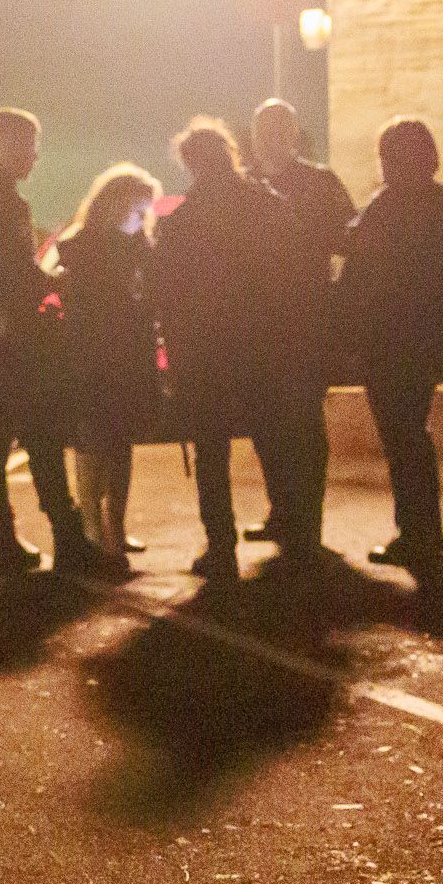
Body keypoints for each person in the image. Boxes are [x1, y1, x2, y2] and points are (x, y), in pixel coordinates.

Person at [0, 107, 100, 578]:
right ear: (6, 146)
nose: (35, 156)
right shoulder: (9, 204)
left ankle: (0, 543)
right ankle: (69, 539)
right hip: (17, 340)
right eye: (30, 146)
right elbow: (17, 275)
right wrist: (58, 279)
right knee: (43, 437)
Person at [148, 117, 303, 580]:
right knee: (272, 440)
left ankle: (221, 548)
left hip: (204, 354)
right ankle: (292, 531)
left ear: (192, 165)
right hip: (262, 348)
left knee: (210, 452)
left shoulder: (182, 220)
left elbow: (163, 291)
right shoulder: (266, 206)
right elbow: (293, 271)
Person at [345, 116, 443, 570]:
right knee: (411, 434)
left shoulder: (387, 206)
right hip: (424, 339)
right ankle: (424, 531)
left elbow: (362, 270)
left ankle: (418, 533)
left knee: (401, 436)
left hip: (391, 341)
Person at [248, 98, 357, 557]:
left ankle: (305, 519)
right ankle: (284, 511)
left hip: (303, 321)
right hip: (260, 325)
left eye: (279, 129)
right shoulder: (249, 186)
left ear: (293, 135)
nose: (271, 137)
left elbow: (349, 238)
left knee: (303, 422)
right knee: (265, 421)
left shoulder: (320, 182)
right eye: (264, 129)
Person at [52, 164, 165, 577]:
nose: (142, 215)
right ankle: (93, 527)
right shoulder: (81, 245)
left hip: (130, 356)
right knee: (92, 441)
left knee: (119, 444)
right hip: (91, 356)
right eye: (138, 207)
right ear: (116, 202)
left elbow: (149, 295)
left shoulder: (139, 246)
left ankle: (113, 526)